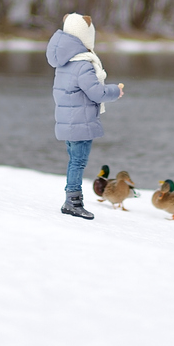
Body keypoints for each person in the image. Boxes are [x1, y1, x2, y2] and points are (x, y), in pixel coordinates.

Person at [46, 13, 124, 219]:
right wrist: (116, 90)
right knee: (78, 162)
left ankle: (72, 200)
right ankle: (72, 201)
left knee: (74, 160)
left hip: (69, 122)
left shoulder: (65, 63)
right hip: (79, 123)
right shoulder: (83, 64)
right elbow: (96, 92)